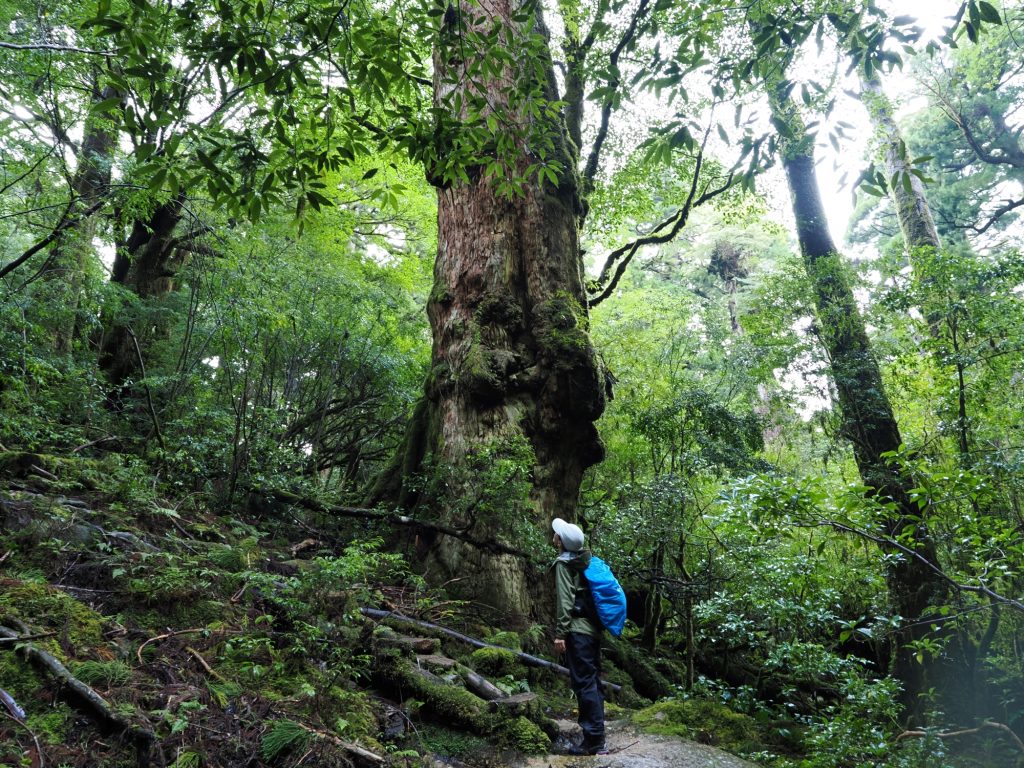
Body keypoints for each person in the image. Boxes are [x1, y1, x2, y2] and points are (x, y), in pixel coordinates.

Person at [551, 517, 607, 756]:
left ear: (561, 541)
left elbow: (565, 602)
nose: (554, 536)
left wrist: (560, 634)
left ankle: (593, 741)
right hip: (593, 631)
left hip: (577, 632)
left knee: (584, 683)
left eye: (557, 534)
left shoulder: (564, 564)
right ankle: (596, 735)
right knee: (593, 681)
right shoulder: (585, 561)